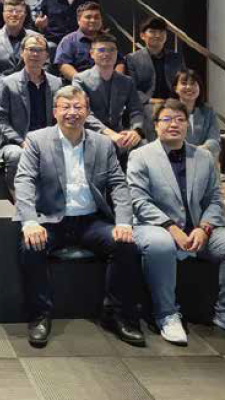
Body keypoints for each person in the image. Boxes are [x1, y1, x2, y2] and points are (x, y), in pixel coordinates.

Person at [15, 86, 144, 348]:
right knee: (31, 246)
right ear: (55, 111)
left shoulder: (103, 144)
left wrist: (123, 222)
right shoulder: (38, 140)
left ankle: (116, 314)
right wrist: (29, 221)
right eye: (66, 107)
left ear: (87, 112)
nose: (72, 112)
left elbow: (119, 185)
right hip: (52, 219)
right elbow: (24, 180)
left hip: (90, 220)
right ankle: (39, 315)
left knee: (126, 245)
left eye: (78, 107)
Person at [127, 99, 225, 345]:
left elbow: (214, 199)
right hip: (154, 226)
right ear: (156, 125)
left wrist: (204, 228)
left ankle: (222, 313)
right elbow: (139, 201)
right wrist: (171, 227)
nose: (174, 124)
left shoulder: (203, 156)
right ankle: (167, 314)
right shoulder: (140, 156)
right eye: (167, 119)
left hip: (198, 229)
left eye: (180, 120)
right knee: (161, 244)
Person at [0, 34, 62, 194]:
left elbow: (59, 117)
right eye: (31, 49)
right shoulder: (8, 83)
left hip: (48, 140)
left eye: (40, 50)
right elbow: (0, 120)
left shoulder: (56, 83)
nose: (35, 54)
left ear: (46, 55)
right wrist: (21, 141)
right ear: (22, 53)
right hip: (16, 142)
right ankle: (18, 199)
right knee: (17, 155)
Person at [72, 33, 144, 155]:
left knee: (142, 145)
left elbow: (136, 110)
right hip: (90, 134)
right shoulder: (80, 79)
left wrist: (135, 131)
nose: (107, 54)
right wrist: (110, 134)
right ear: (92, 53)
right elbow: (83, 113)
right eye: (101, 50)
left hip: (119, 134)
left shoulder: (127, 81)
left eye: (111, 50)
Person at [0, 0, 41, 120]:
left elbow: (44, 62)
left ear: (25, 14)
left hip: (30, 82)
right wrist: (4, 81)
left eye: (19, 11)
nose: (14, 14)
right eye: (10, 11)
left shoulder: (36, 37)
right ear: (3, 14)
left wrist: (28, 80)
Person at [125, 17, 185, 140]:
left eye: (161, 32)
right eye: (152, 32)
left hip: (173, 102)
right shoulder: (132, 59)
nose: (157, 35)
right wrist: (151, 100)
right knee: (150, 112)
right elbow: (131, 89)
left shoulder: (176, 58)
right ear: (142, 35)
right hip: (147, 104)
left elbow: (183, 81)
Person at [55, 2, 124, 81]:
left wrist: (115, 81)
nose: (93, 20)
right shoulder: (68, 41)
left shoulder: (110, 40)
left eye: (97, 17)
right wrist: (83, 82)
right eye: (88, 17)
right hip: (78, 84)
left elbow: (120, 62)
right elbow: (64, 65)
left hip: (108, 83)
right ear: (78, 20)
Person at [172, 68, 221, 162]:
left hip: (203, 161)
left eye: (193, 83)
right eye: (184, 83)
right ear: (175, 89)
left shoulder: (208, 111)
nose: (189, 87)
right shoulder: (168, 112)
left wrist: (200, 151)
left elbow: (214, 140)